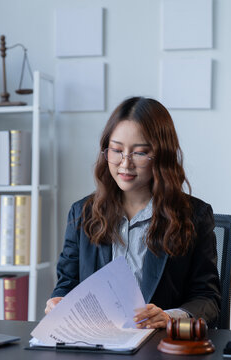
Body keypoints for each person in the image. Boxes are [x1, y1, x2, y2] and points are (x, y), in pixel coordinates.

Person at [45, 97, 221, 329]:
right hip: (97, 346)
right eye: (116, 150)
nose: (125, 164)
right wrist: (59, 303)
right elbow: (67, 284)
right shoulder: (82, 213)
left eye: (138, 153)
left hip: (159, 346)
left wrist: (170, 317)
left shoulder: (194, 216)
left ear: (161, 155)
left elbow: (208, 299)